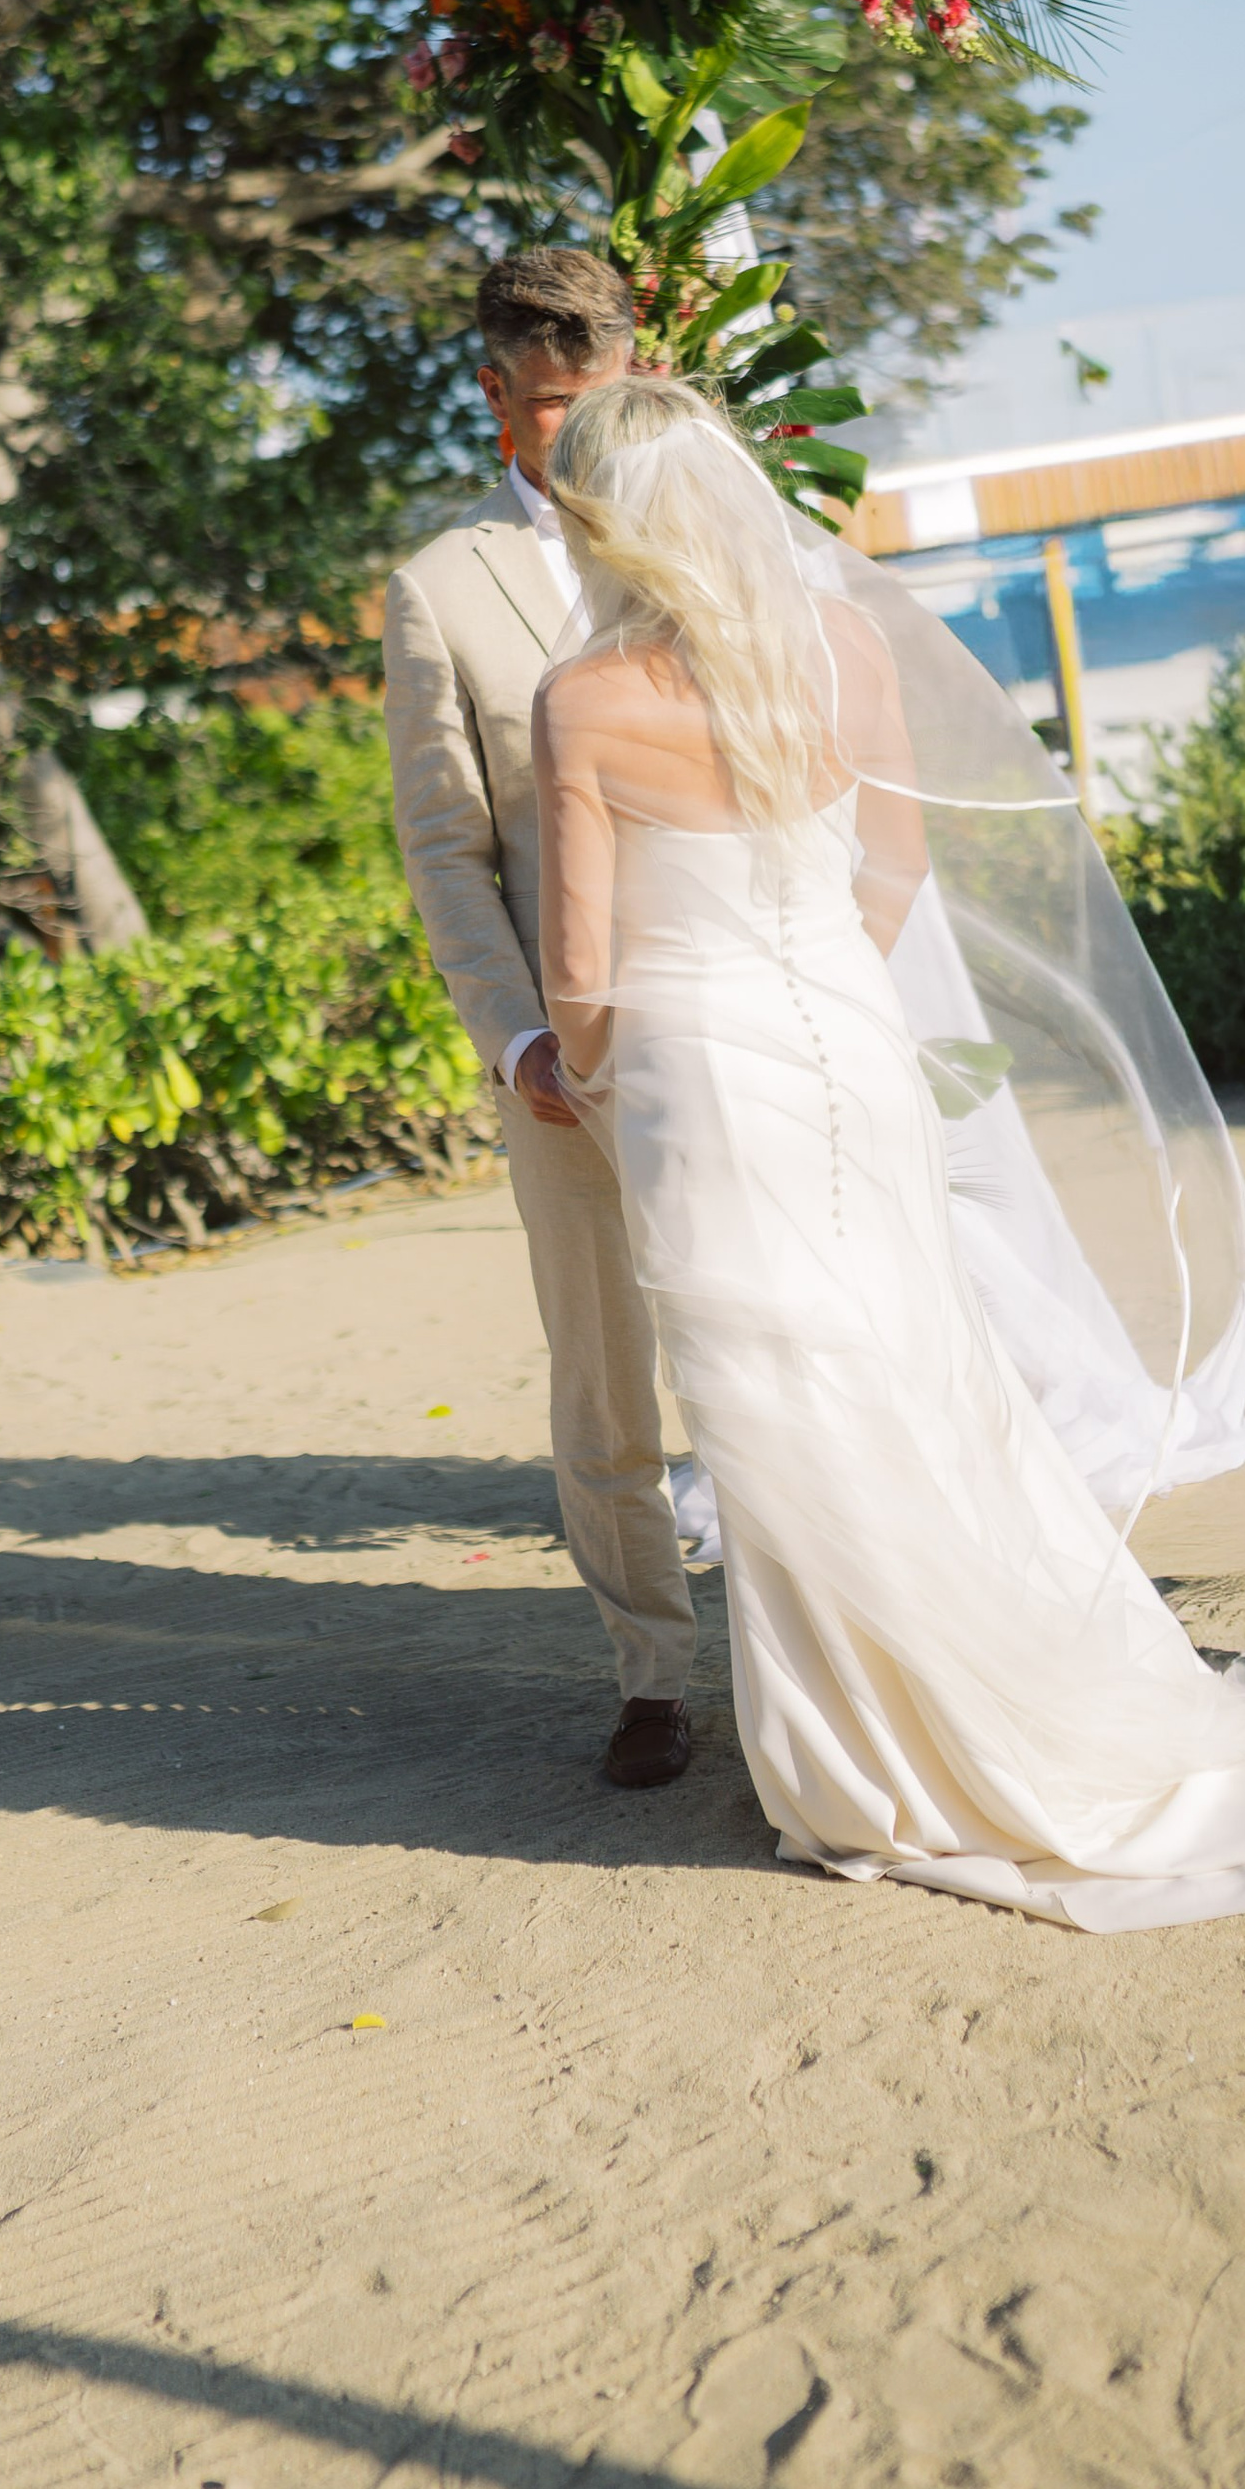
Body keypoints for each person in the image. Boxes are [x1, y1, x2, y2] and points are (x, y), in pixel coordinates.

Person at [531, 374, 1245, 1929]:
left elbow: (581, 977)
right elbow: (895, 866)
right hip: (849, 1052)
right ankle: (971, 1695)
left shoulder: (583, 700)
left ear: (602, 525)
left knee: (782, 1400)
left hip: (704, 1087)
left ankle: (865, 1758)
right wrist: (827, 997)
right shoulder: (837, 649)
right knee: (917, 1369)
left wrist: (579, 1069)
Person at [381, 248, 700, 1789]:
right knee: (604, 1374)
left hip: (735, 1030)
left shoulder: (719, 542)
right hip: (562, 1069)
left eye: (599, 397)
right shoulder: (442, 589)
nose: (576, 436)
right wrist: (517, 1044)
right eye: (547, 403)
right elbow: (445, 851)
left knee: (776, 1345)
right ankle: (652, 1672)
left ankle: (815, 1646)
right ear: (495, 394)